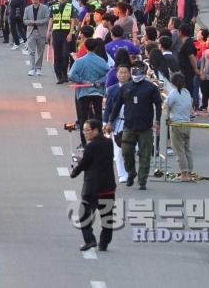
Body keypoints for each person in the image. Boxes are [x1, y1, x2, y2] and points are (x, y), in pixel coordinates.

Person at [106, 62, 163, 190]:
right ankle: (131, 173)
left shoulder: (151, 88)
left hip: (145, 128)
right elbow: (117, 106)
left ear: (143, 71)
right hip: (129, 127)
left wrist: (157, 121)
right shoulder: (125, 88)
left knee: (145, 155)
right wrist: (110, 122)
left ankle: (142, 181)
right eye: (134, 70)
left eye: (138, 70)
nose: (136, 73)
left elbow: (158, 104)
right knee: (126, 152)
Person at [69, 119, 116, 252]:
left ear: (96, 130)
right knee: (107, 217)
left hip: (93, 188)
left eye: (87, 130)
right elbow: (98, 159)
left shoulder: (90, 147)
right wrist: (84, 159)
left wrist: (73, 172)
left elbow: (85, 165)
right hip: (108, 186)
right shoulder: (109, 142)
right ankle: (104, 243)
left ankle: (90, 240)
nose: (84, 133)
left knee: (83, 214)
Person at [68, 39, 108, 148]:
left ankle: (84, 142)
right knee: (98, 116)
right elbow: (108, 74)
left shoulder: (80, 61)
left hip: (84, 91)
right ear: (96, 48)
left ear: (85, 47)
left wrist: (82, 81)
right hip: (98, 92)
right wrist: (100, 81)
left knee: (83, 118)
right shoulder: (101, 61)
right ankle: (99, 141)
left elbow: (71, 74)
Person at [164, 73, 193, 182]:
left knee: (178, 149)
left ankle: (184, 173)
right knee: (187, 148)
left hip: (176, 124)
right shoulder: (186, 92)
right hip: (187, 123)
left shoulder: (173, 93)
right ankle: (189, 173)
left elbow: (165, 106)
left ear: (172, 83)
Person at [49, 0, 78, 84]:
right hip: (56, 32)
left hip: (66, 33)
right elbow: (51, 19)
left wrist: (70, 33)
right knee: (57, 55)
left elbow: (73, 20)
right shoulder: (54, 6)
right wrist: (48, 32)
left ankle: (65, 74)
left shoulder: (70, 6)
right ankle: (59, 76)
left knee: (65, 55)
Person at [23, 0, 50, 76]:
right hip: (31, 32)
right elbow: (24, 20)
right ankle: (32, 68)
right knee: (31, 51)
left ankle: (38, 68)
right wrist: (30, 22)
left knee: (40, 52)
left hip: (41, 32)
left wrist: (37, 22)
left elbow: (47, 19)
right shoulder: (27, 9)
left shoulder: (45, 8)